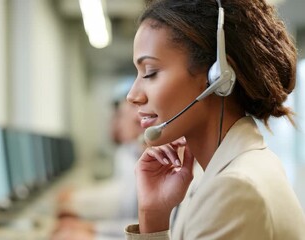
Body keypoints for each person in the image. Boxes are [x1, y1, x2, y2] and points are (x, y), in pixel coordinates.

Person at [124, 0, 305, 239]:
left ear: (218, 75)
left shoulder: (235, 189)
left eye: (150, 72)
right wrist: (153, 214)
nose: (132, 96)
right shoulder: (215, 171)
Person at [53, 79, 144, 240]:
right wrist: (92, 228)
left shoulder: (146, 156)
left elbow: (147, 227)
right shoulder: (132, 152)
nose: (117, 123)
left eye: (121, 115)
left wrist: (93, 231)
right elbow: (127, 204)